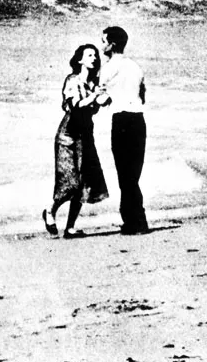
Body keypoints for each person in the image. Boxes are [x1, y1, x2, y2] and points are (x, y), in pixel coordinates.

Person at [43, 44, 109, 239]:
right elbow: (75, 106)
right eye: (89, 55)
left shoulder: (94, 83)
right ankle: (50, 210)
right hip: (68, 136)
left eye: (95, 55)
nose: (94, 58)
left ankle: (70, 227)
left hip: (85, 136)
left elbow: (94, 108)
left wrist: (102, 99)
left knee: (83, 185)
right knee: (70, 183)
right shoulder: (72, 80)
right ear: (79, 60)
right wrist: (96, 97)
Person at [99, 26, 150, 235]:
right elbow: (143, 94)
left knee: (124, 174)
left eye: (103, 41)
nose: (102, 45)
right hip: (138, 119)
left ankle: (133, 221)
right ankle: (137, 219)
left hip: (121, 120)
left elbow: (101, 97)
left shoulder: (109, 67)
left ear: (111, 44)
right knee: (133, 174)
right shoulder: (135, 66)